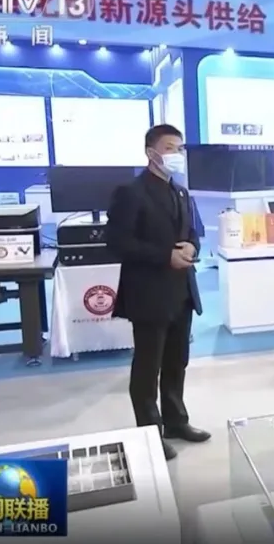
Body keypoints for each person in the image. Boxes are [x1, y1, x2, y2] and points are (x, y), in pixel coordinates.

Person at [106, 124, 208, 461]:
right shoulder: (131, 193)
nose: (177, 154)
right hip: (149, 292)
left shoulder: (181, 192)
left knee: (177, 360)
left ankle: (177, 421)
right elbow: (118, 242)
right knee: (148, 366)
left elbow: (192, 232)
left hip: (182, 291)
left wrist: (191, 248)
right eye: (169, 148)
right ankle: (149, 433)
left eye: (180, 148)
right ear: (151, 153)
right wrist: (165, 256)